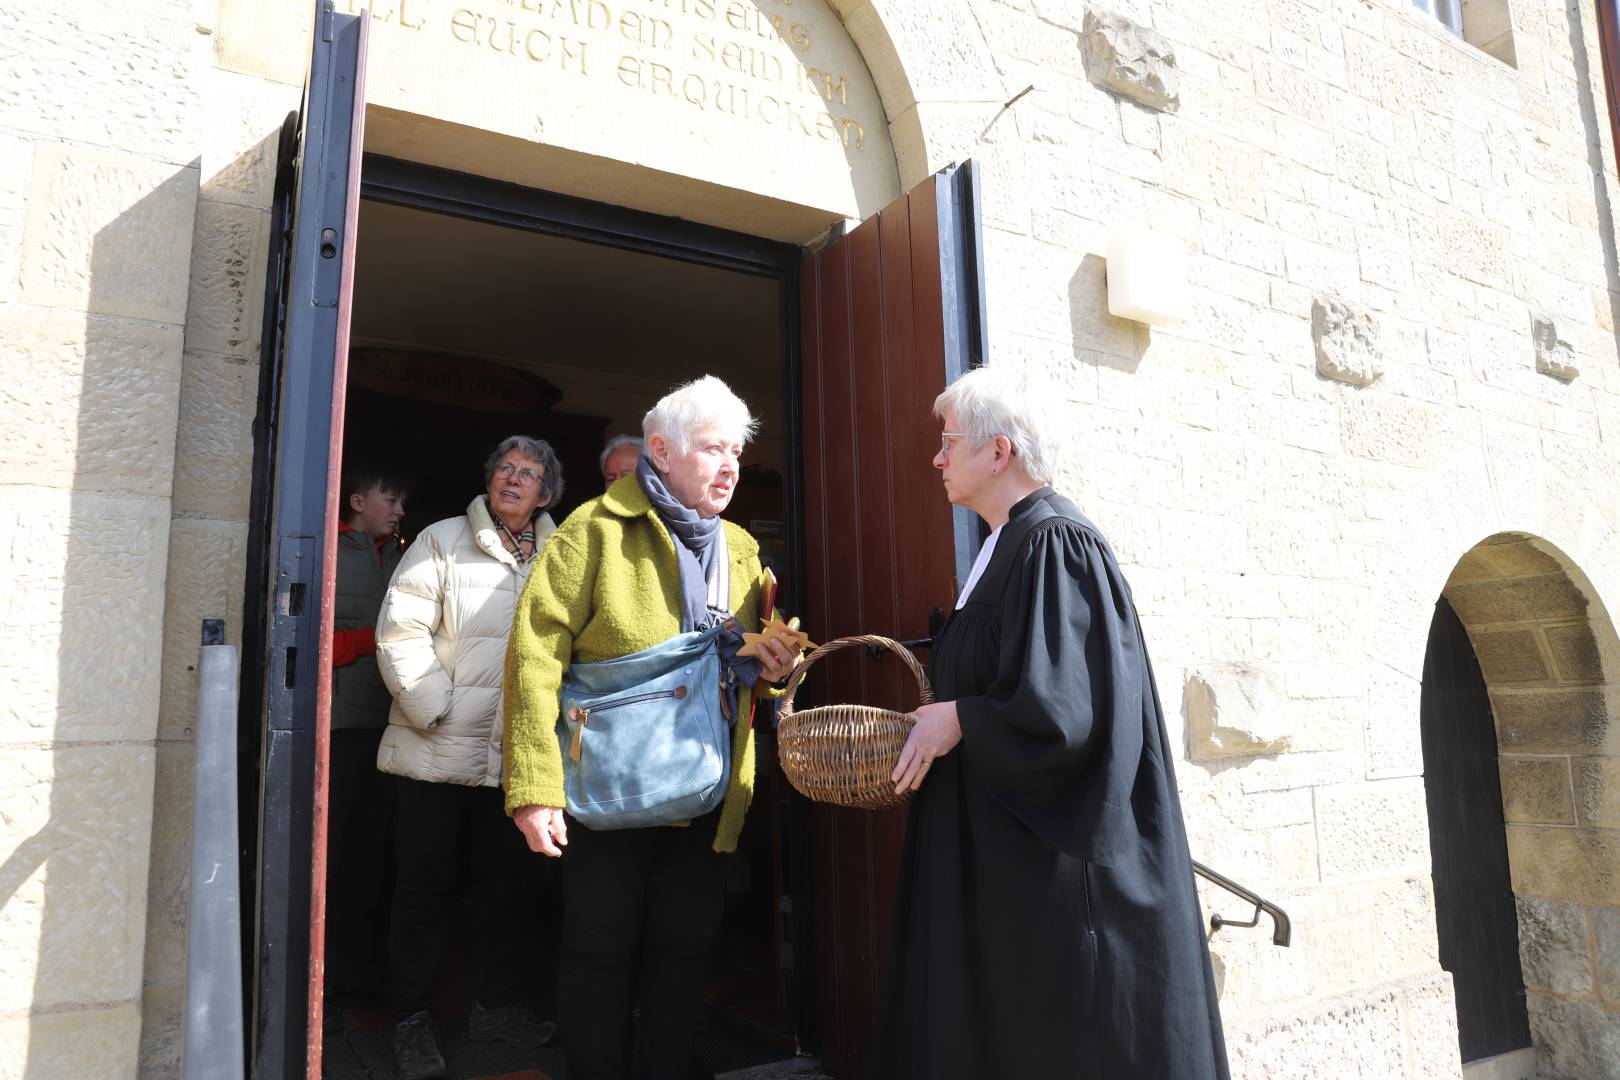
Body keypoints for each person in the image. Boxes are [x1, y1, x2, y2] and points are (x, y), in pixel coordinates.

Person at [868, 367, 1230, 1079]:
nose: (937, 459)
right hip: (1000, 858)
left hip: (1050, 873)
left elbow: (1065, 709)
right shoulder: (1003, 546)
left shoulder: (1055, 543)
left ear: (997, 452)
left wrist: (962, 717)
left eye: (948, 443)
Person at [503, 375, 802, 1080]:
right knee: (598, 951)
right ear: (660, 452)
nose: (729, 465)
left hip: (704, 788)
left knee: (687, 949)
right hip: (608, 789)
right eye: (711, 449)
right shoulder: (592, 530)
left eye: (736, 450)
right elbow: (533, 658)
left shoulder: (740, 547)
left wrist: (779, 662)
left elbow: (751, 666)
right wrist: (533, 788)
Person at [375, 436, 565, 1080]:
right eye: (505, 469)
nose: (514, 480)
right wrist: (436, 708)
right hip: (434, 749)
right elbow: (400, 630)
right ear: (488, 481)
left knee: (505, 891)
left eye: (529, 474)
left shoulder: (561, 551)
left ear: (546, 492)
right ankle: (410, 1019)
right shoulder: (440, 538)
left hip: (516, 757)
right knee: (422, 890)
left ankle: (493, 1008)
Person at [324, 463, 407, 1012]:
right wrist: (371, 641)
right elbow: (306, 638)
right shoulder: (323, 549)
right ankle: (321, 980)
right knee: (327, 860)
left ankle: (359, 974)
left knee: (372, 861)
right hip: (339, 731)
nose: (400, 510)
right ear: (356, 500)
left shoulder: (401, 559)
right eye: (390, 496)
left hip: (392, 733)